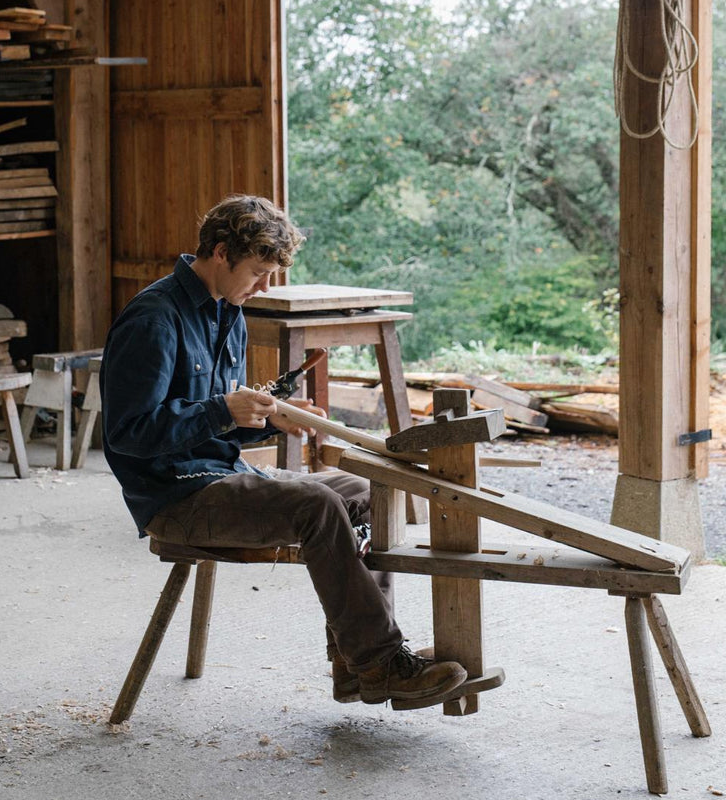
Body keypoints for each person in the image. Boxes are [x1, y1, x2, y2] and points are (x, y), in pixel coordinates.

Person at [100, 194, 467, 707]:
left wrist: (273, 418)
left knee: (365, 493)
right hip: (175, 498)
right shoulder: (154, 320)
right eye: (259, 271)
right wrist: (225, 410)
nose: (265, 286)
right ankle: (381, 662)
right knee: (315, 505)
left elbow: (219, 421)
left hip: (220, 473)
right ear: (222, 252)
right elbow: (128, 433)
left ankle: (353, 664)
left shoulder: (229, 312)